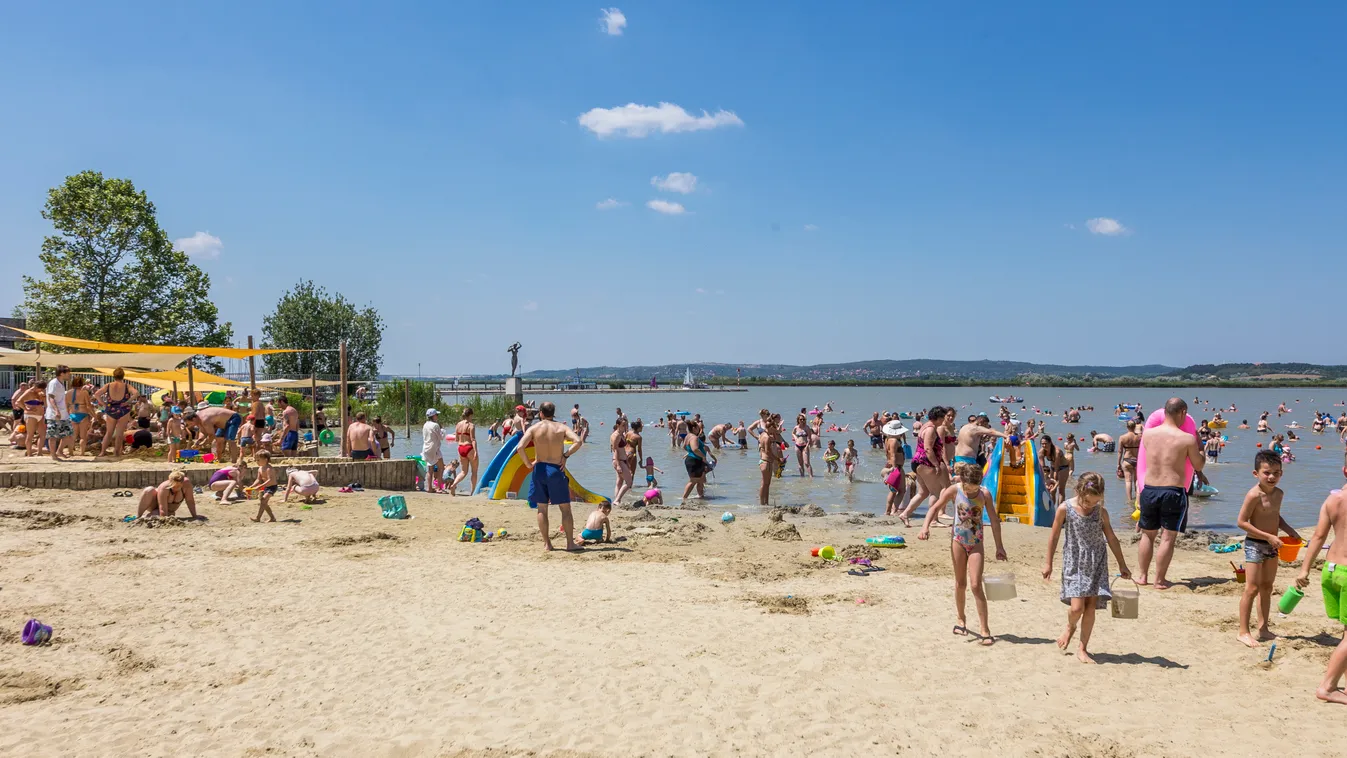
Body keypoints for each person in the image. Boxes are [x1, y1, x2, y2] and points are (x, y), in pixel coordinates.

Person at [1041, 472, 1131, 663]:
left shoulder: (1101, 512)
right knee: (1076, 608)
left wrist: (1122, 564)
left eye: (1095, 501)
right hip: (1074, 562)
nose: (1091, 505)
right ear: (1079, 491)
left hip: (1096, 561)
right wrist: (1048, 562)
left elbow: (1112, 538)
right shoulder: (1065, 509)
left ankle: (1083, 648)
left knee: (1090, 607)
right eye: (1088, 501)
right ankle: (1070, 626)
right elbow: (1054, 536)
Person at [917, 464, 1007, 646]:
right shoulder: (954, 490)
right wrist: (925, 527)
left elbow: (995, 521)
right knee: (960, 583)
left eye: (975, 488)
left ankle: (985, 629)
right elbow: (934, 508)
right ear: (963, 481)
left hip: (976, 543)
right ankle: (961, 619)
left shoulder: (984, 495)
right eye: (969, 488)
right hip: (958, 540)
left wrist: (999, 546)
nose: (971, 491)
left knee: (975, 585)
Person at [1137, 398, 1205, 589]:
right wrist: (1202, 450)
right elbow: (1198, 465)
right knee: (1167, 537)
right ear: (1183, 412)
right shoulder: (1186, 438)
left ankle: (1142, 576)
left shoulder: (1148, 434)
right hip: (1173, 491)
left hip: (1149, 489)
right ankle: (1159, 580)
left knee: (1147, 535)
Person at [1236, 450, 1301, 648]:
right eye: (1267, 472)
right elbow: (1241, 522)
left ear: (1281, 473)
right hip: (1255, 544)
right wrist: (1268, 536)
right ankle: (1243, 631)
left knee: (1267, 587)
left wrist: (1290, 531)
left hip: (1272, 545)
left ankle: (1263, 628)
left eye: (1276, 472)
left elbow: (1275, 517)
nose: (1272, 477)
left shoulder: (1279, 494)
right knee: (1252, 587)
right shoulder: (1254, 495)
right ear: (1256, 474)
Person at [1294, 489, 1347, 704]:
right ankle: (1328, 687)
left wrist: (1304, 569)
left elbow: (1318, 536)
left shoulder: (1332, 499)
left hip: (1331, 570)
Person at [516, 401, 584, 551]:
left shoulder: (534, 428)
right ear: (553, 412)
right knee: (565, 508)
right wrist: (565, 455)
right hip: (555, 468)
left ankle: (547, 544)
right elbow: (578, 441)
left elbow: (519, 447)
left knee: (542, 508)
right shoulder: (561, 427)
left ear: (540, 413)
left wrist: (528, 464)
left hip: (539, 468)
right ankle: (569, 544)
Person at [94, 368, 139, 457]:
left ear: (114, 376)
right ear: (123, 376)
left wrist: (103, 404)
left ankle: (102, 452)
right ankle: (116, 452)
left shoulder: (108, 385)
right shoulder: (126, 386)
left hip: (111, 409)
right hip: (123, 409)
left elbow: (96, 394)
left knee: (109, 433)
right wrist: (128, 401)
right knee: (119, 433)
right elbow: (136, 393)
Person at [44, 365, 73, 461]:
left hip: (63, 414)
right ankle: (53, 455)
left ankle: (59, 451)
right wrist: (56, 410)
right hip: (54, 414)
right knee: (53, 435)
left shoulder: (60, 383)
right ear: (62, 373)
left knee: (68, 434)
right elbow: (51, 398)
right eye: (68, 373)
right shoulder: (54, 383)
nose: (69, 375)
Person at [682, 420, 712, 503]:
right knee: (693, 480)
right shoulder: (694, 437)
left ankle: (701, 496)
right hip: (695, 461)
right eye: (698, 428)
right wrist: (703, 456)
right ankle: (684, 498)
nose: (699, 430)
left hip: (693, 460)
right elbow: (695, 449)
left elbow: (684, 446)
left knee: (701, 480)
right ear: (694, 428)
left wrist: (690, 452)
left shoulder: (688, 436)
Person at [450, 408, 478, 494]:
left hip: (461, 448)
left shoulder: (458, 424)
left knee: (463, 471)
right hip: (469, 448)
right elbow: (473, 439)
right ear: (470, 415)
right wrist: (476, 451)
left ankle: (454, 484)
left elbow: (456, 439)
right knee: (474, 471)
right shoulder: (471, 425)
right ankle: (472, 492)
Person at [248, 450, 279, 522]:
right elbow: (258, 479)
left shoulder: (269, 468)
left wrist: (259, 486)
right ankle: (272, 518)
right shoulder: (260, 469)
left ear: (265, 459)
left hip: (272, 487)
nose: (257, 462)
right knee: (264, 503)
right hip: (266, 487)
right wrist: (252, 486)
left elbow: (270, 480)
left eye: (258, 460)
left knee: (263, 500)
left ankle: (258, 518)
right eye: (256, 460)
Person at [757, 416, 782, 506]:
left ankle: (766, 503)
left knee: (766, 484)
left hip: (764, 461)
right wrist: (777, 459)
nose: (775, 430)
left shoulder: (763, 435)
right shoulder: (767, 437)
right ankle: (762, 503)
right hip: (766, 462)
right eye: (774, 428)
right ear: (770, 427)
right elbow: (768, 451)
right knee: (764, 484)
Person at [67, 376, 94, 456]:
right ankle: (82, 453)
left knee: (73, 436)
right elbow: (88, 406)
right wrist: (94, 415)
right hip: (83, 414)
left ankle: (71, 452)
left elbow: (66, 406)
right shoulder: (84, 392)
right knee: (83, 436)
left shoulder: (68, 393)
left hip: (72, 414)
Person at [610, 416, 634, 504]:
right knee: (629, 482)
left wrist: (627, 461)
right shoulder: (615, 435)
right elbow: (615, 450)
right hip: (618, 461)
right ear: (618, 425)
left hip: (623, 460)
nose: (625, 427)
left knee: (619, 482)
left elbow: (622, 449)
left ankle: (616, 501)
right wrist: (618, 465)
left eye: (626, 425)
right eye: (623, 425)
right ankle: (617, 500)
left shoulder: (621, 435)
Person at [1117, 421, 1141, 503]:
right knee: (1137, 481)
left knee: (1128, 481)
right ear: (1135, 427)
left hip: (1127, 460)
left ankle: (1129, 500)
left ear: (1127, 427)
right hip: (1138, 460)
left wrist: (1118, 464)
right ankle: (1138, 500)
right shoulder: (1140, 436)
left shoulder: (1122, 437)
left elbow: (1120, 451)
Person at [421, 409, 444, 491]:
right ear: (433, 416)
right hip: (434, 449)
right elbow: (441, 437)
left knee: (430, 470)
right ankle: (439, 487)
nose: (437, 416)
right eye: (436, 415)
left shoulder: (425, 425)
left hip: (426, 449)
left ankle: (430, 488)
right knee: (441, 468)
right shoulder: (435, 425)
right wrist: (442, 430)